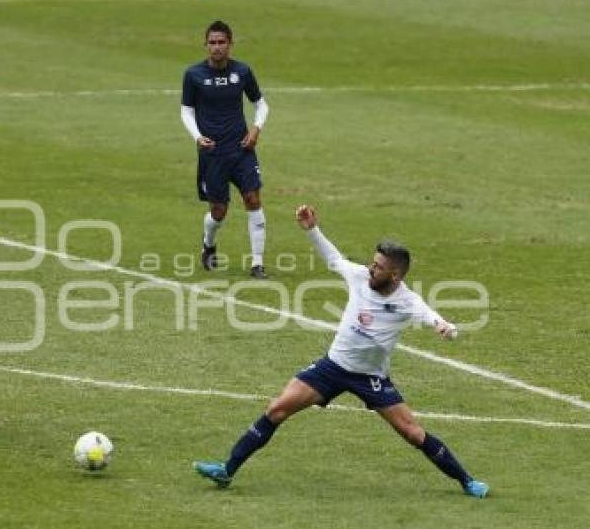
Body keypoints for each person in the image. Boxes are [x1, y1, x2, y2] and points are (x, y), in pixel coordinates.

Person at [193, 203, 489, 498]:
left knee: (413, 433)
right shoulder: (360, 276)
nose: (372, 269)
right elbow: (334, 259)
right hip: (332, 368)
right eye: (374, 263)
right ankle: (227, 470)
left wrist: (444, 327)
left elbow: (430, 315)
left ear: (396, 276)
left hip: (371, 378)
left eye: (380, 267)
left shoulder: (407, 300)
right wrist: (312, 230)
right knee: (276, 409)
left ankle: (467, 481)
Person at [181, 20, 270, 279]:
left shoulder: (242, 72)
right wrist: (197, 137)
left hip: (242, 149)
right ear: (206, 45)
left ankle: (257, 264)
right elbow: (186, 111)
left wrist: (256, 129)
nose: (217, 47)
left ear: (230, 44)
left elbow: (262, 105)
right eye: (212, 42)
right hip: (213, 153)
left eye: (222, 42)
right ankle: (208, 243)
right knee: (218, 212)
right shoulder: (193, 75)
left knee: (253, 199)